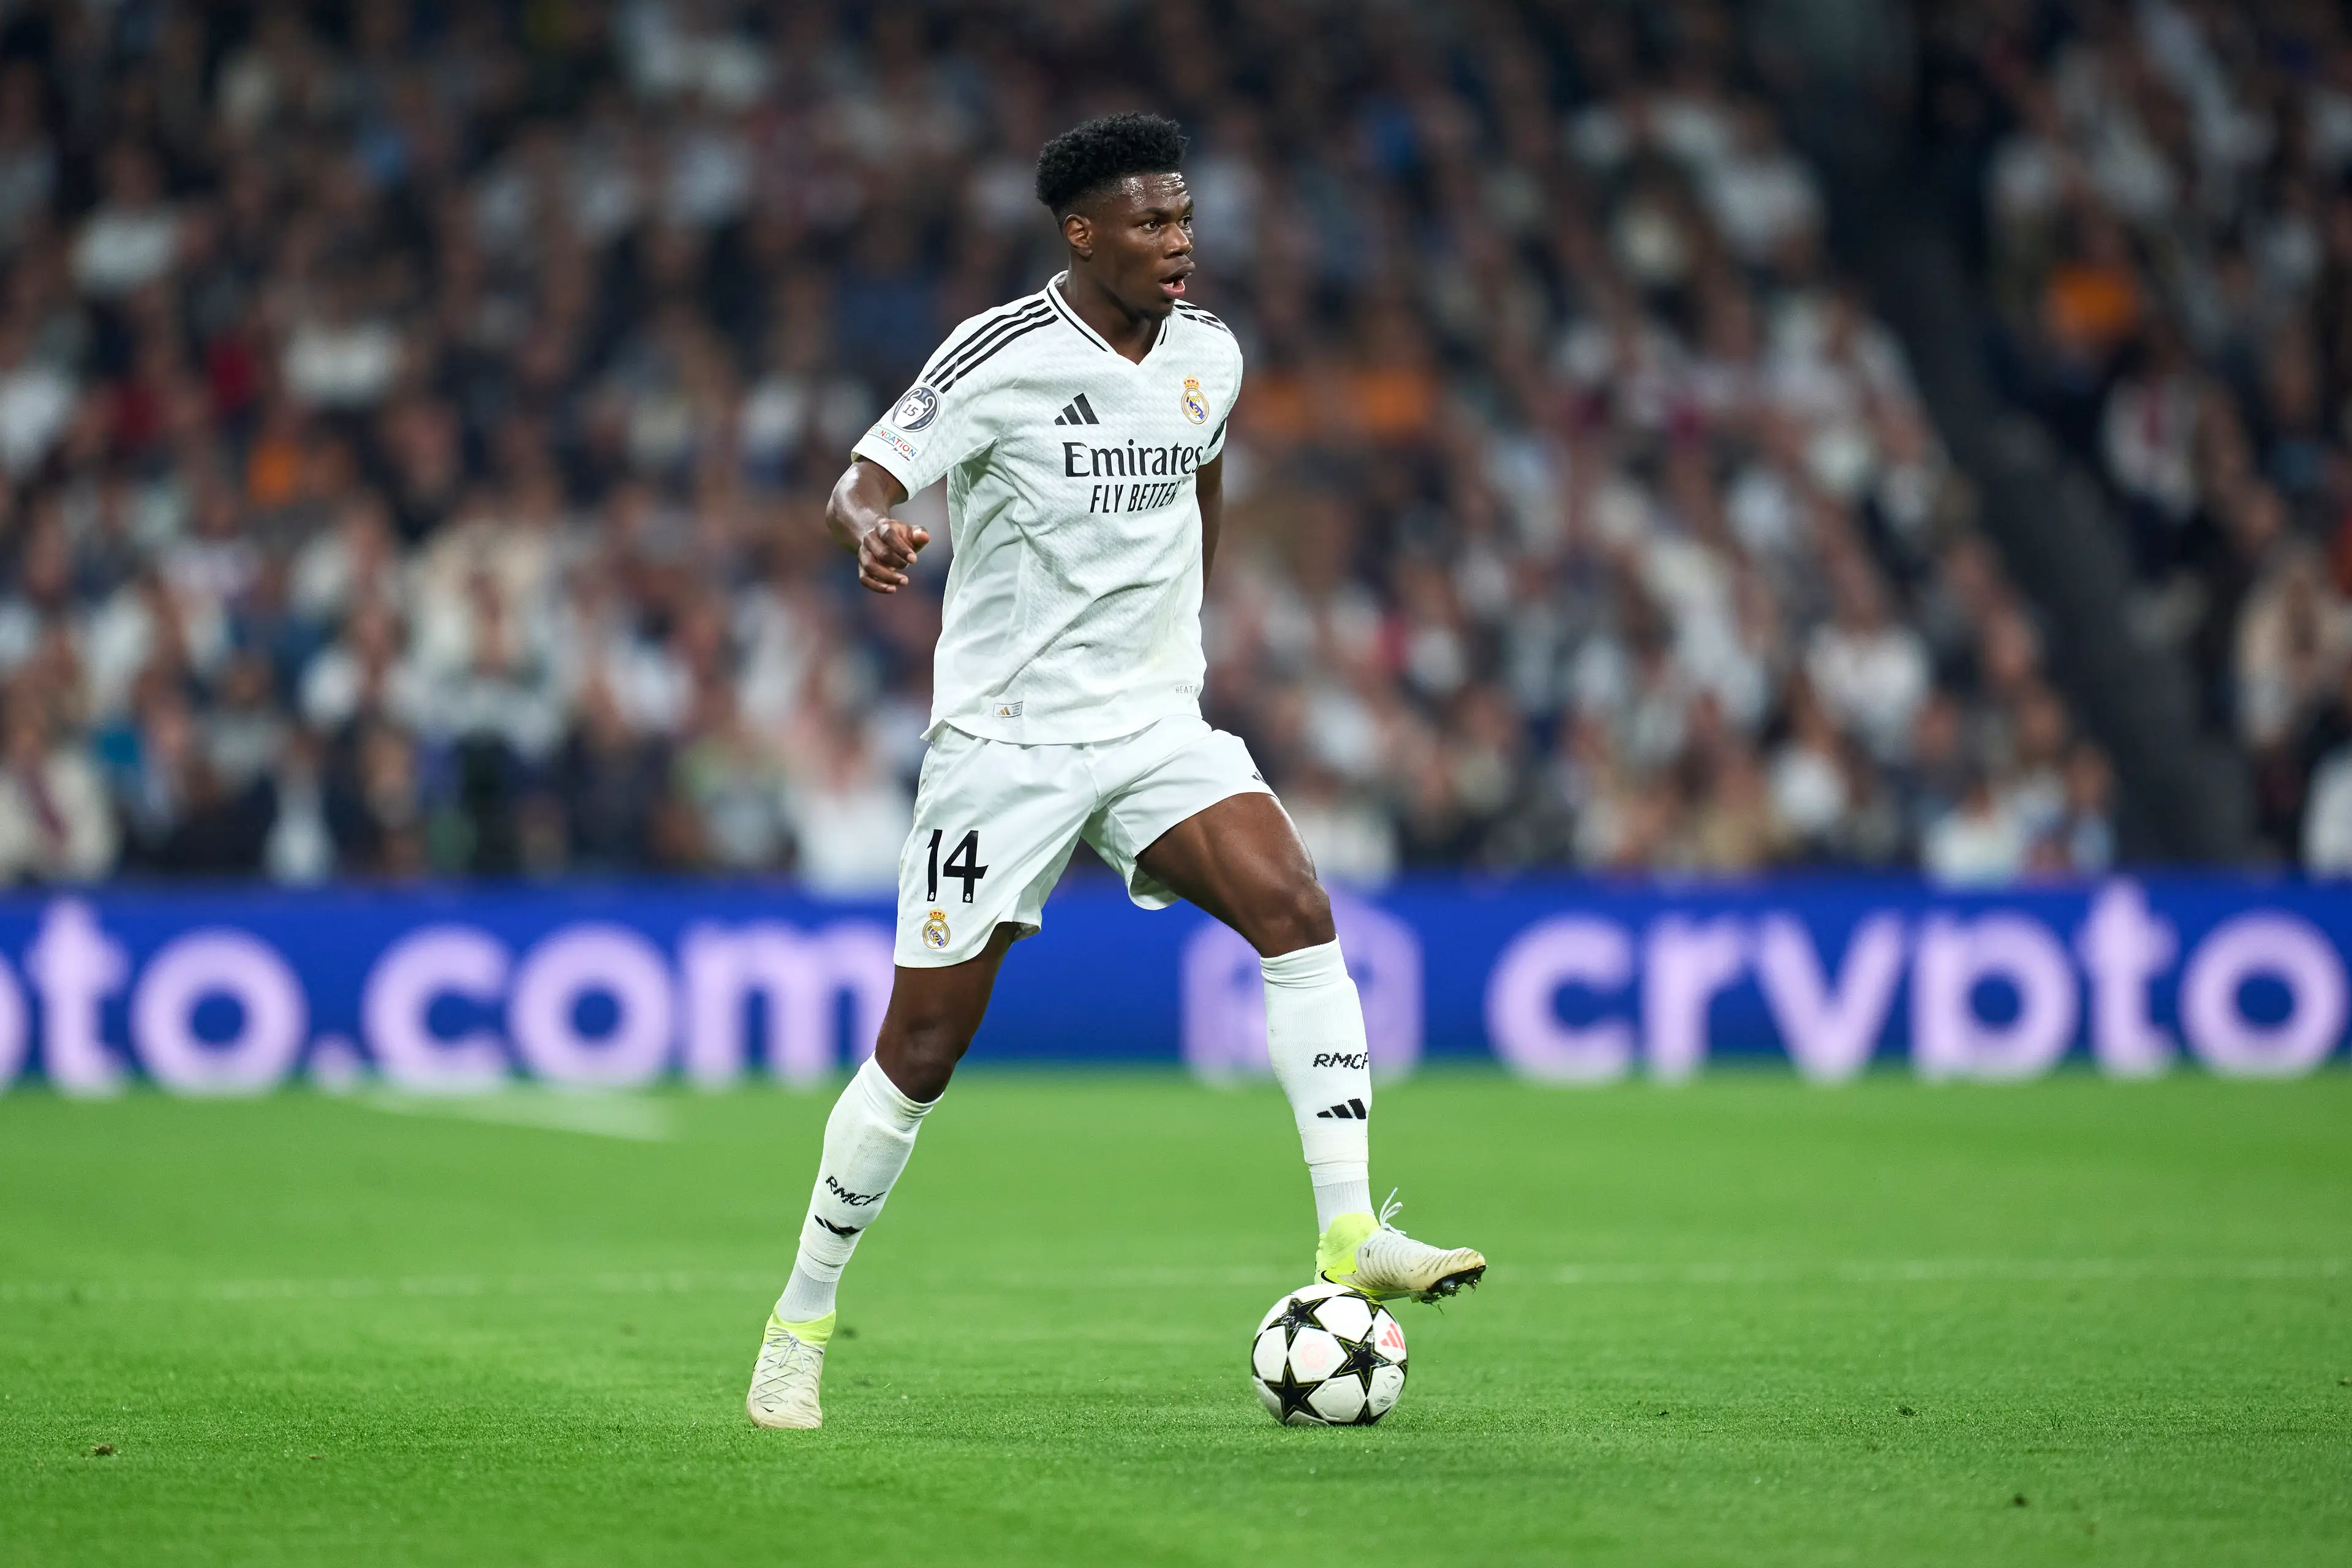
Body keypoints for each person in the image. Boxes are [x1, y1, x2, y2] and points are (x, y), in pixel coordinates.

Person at [746, 115, 1485, 1430]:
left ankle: (1351, 1230)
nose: (1179, 241)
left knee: (1297, 909)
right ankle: (798, 1322)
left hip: (1150, 724)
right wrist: (875, 532)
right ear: (1081, 234)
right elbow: (858, 479)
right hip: (1006, 742)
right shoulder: (1001, 355)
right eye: (1150, 222)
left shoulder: (1211, 356)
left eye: (1185, 216)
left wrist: (1181, 648)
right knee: (920, 1049)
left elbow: (1201, 479)